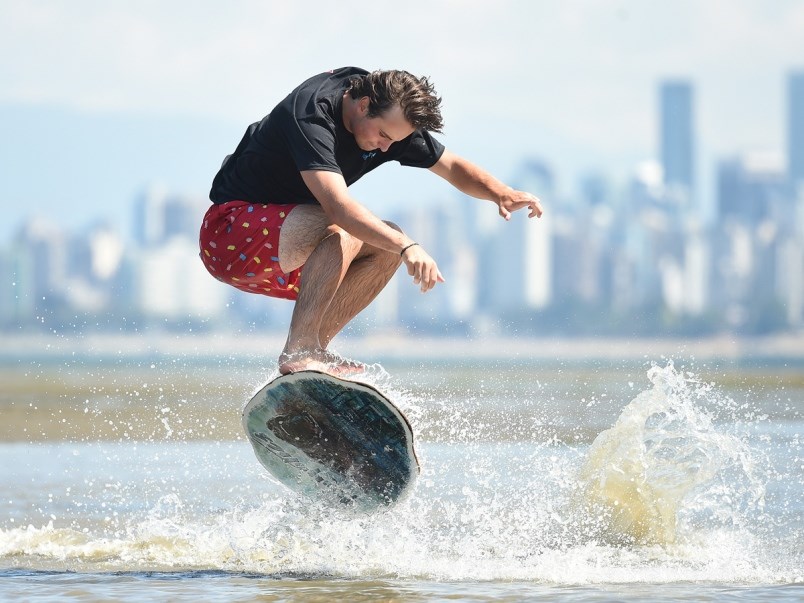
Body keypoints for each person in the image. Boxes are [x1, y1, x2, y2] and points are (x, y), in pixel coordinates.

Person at [200, 67, 543, 375]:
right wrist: (409, 246)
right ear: (363, 105)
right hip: (229, 236)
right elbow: (338, 208)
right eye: (383, 136)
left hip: (285, 252)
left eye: (393, 141)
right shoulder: (312, 114)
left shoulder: (390, 119)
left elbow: (449, 165)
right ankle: (300, 350)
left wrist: (501, 193)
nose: (384, 148)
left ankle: (314, 351)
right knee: (356, 230)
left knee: (385, 243)